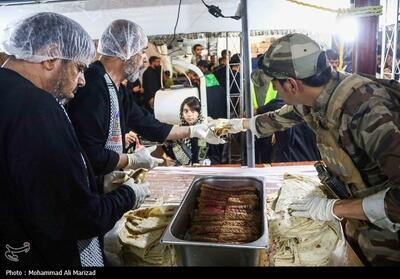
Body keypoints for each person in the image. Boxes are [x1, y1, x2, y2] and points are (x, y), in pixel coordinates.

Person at [217, 33, 400, 266]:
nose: (274, 89)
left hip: (391, 239)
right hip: (363, 225)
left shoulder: (367, 111)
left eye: (274, 84)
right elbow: (280, 118)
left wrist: (332, 208)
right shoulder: (319, 95)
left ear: (292, 84)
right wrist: (233, 126)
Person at [0, 12, 150, 267]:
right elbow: (76, 216)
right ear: (50, 56)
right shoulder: (37, 108)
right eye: (79, 67)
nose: (82, 80)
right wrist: (128, 195)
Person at [67, 19, 223, 182]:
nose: (144, 59)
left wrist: (195, 130)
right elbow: (90, 154)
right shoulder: (93, 84)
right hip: (90, 184)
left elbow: (150, 125)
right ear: (126, 49)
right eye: (142, 51)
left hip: (105, 181)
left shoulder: (117, 88)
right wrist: (131, 160)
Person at [163, 97, 209, 166]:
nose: (189, 114)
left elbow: (214, 156)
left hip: (203, 170)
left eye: (193, 111)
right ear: (182, 113)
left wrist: (208, 161)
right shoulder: (178, 131)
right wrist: (169, 158)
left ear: (199, 113)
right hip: (184, 170)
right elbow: (175, 156)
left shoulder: (206, 130)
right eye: (186, 111)